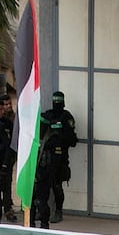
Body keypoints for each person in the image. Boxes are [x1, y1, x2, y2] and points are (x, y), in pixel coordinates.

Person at [41, 90, 78, 223]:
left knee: (57, 185)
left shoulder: (66, 117)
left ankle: (58, 211)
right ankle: (42, 210)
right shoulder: (47, 115)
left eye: (59, 102)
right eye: (55, 101)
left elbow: (73, 141)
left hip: (60, 158)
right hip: (46, 157)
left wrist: (60, 133)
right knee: (43, 185)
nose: (56, 104)